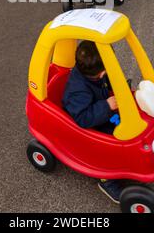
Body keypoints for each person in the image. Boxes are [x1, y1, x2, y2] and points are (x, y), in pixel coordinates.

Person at [62, 40, 123, 203]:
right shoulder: (78, 91)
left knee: (125, 127)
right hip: (88, 125)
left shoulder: (92, 74)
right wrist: (106, 105)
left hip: (101, 111)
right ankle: (106, 180)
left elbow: (106, 82)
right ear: (101, 73)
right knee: (108, 144)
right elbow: (83, 118)